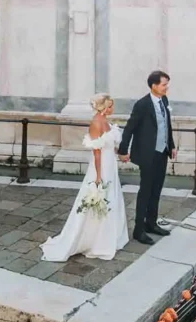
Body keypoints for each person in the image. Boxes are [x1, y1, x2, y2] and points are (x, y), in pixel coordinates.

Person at [40, 93, 129, 261]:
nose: (112, 109)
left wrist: (121, 154)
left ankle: (111, 236)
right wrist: (98, 176)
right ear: (102, 107)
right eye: (110, 106)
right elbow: (97, 152)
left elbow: (107, 144)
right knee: (100, 197)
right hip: (102, 166)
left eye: (112, 106)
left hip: (110, 163)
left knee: (112, 197)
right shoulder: (96, 123)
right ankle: (96, 240)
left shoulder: (105, 121)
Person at [119, 70, 176, 245]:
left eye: (167, 84)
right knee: (146, 190)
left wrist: (171, 145)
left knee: (157, 189)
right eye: (164, 84)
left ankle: (151, 223)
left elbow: (167, 124)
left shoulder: (164, 100)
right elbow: (130, 128)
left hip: (162, 152)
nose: (167, 87)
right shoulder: (142, 105)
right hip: (147, 154)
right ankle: (139, 229)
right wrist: (123, 150)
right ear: (154, 86)